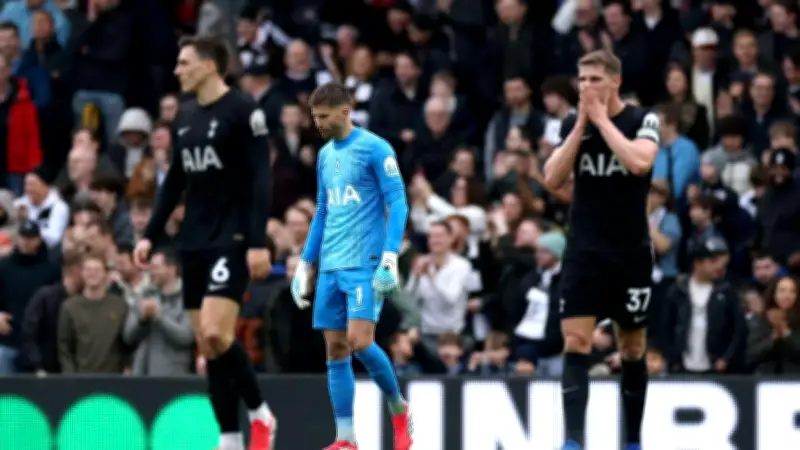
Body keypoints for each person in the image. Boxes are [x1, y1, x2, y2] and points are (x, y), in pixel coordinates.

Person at [132, 36, 276, 450]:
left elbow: (260, 180)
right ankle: (230, 437)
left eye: (184, 63)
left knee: (215, 333)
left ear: (210, 65)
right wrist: (150, 236)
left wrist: (256, 241)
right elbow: (175, 181)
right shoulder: (186, 116)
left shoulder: (243, 109)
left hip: (230, 237)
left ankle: (260, 413)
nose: (177, 71)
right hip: (193, 238)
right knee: (209, 346)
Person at [543, 50, 660, 450]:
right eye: (582, 80)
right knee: (576, 341)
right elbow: (553, 178)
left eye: (595, 79)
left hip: (630, 252)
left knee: (632, 346)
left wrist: (602, 121)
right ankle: (573, 440)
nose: (586, 87)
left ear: (615, 83)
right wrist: (580, 125)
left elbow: (639, 162)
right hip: (584, 250)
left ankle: (632, 440)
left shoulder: (643, 119)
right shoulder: (571, 124)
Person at [290, 81, 413, 450]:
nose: (318, 124)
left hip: (365, 262)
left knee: (360, 342)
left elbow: (399, 202)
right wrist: (304, 263)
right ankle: (346, 437)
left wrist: (390, 256)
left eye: (324, 117)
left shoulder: (375, 148)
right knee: (335, 349)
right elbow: (324, 211)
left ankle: (398, 407)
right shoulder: (326, 156)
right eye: (315, 117)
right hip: (330, 265)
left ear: (345, 112)